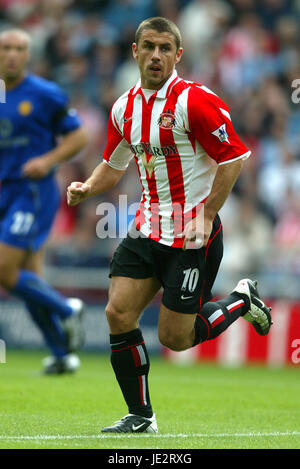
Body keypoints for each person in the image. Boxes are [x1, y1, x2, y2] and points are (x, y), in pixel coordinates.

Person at [67, 17, 272, 432]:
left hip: (192, 236)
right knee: (117, 312)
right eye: (149, 47)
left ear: (178, 55)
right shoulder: (123, 106)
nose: (156, 56)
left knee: (175, 338)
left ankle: (241, 301)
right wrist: (87, 187)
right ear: (135, 51)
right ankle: (141, 416)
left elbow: (234, 156)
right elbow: (113, 164)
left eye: (165, 48)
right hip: (147, 228)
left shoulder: (194, 101)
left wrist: (208, 212)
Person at [0, 29, 88, 374]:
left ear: (28, 55)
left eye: (19, 49)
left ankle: (68, 309)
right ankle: (63, 355)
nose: (12, 54)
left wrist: (48, 161)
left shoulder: (45, 94)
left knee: (5, 270)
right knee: (28, 278)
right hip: (4, 192)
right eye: (6, 48)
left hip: (31, 192)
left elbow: (79, 135)